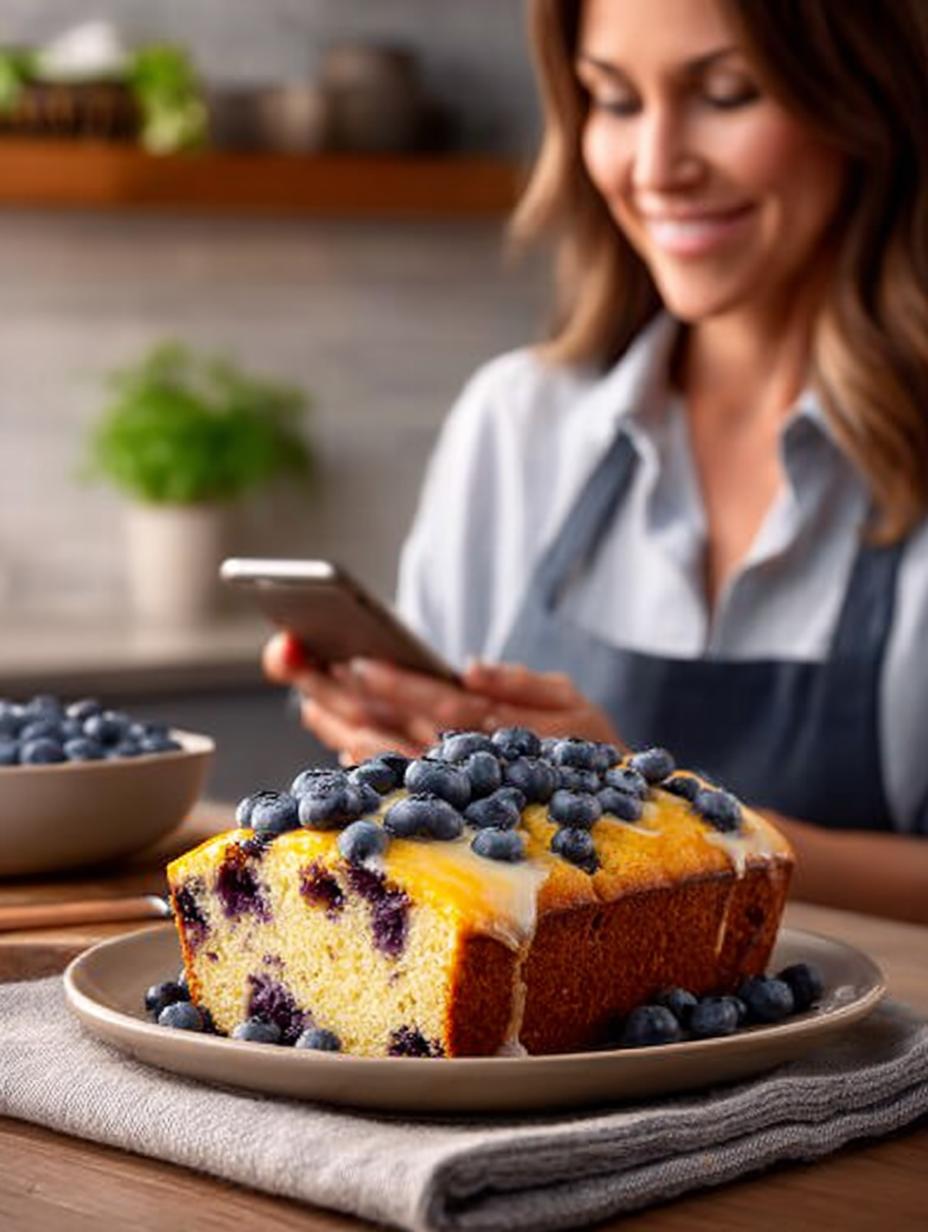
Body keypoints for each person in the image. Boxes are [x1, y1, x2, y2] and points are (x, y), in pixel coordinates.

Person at [264, 0, 928, 923]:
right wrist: (410, 749)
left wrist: (648, 814)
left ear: (870, 99)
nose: (656, 168)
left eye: (727, 94)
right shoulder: (519, 423)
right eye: (614, 102)